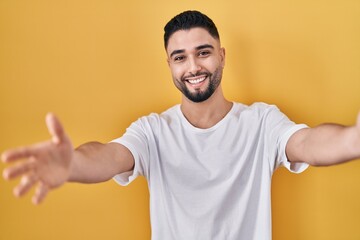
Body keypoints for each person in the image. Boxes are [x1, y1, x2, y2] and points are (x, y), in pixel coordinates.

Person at [1, 10, 360, 239]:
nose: (193, 67)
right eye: (180, 57)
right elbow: (109, 156)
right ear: (170, 65)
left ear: (221, 55)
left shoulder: (261, 122)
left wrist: (352, 140)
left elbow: (310, 143)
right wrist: (73, 165)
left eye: (203, 52)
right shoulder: (153, 131)